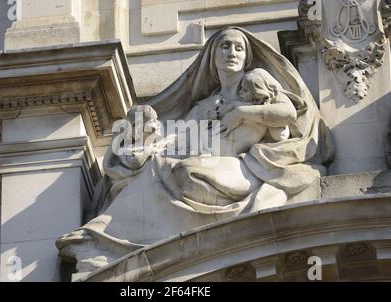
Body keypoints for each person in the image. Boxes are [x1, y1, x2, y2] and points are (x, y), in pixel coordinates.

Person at [56, 26, 334, 273]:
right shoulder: (205, 106)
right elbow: (177, 140)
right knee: (156, 167)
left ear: (247, 57)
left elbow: (286, 113)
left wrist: (243, 112)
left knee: (187, 171)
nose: (232, 53)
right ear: (212, 58)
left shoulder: (256, 81)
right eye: (224, 46)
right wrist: (145, 143)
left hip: (248, 167)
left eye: (239, 47)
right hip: (215, 164)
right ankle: (102, 239)